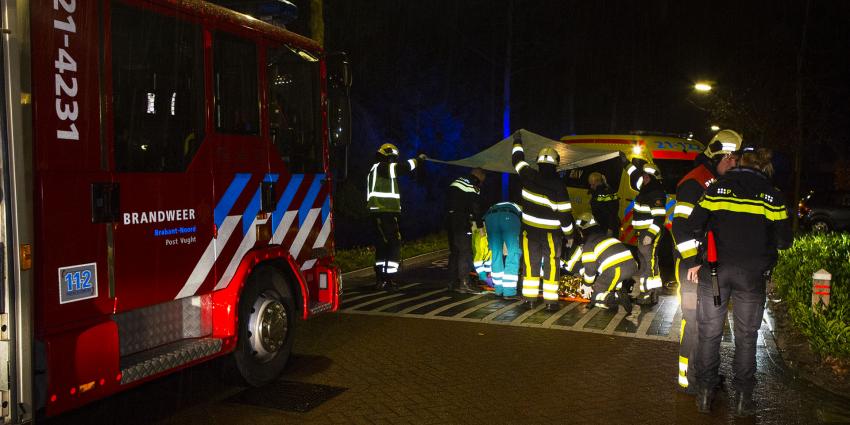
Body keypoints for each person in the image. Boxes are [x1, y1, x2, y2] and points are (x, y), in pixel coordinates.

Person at [687, 146, 792, 417]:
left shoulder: (717, 188)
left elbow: (694, 223)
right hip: (753, 275)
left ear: (740, 162)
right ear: (764, 167)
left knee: (709, 333)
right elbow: (784, 241)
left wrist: (705, 247)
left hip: (716, 272)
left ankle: (705, 394)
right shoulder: (773, 196)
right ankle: (744, 399)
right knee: (746, 338)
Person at [671, 129, 743, 394]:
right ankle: (689, 380)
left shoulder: (711, 181)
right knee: (694, 321)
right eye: (732, 159)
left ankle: (704, 375)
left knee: (708, 324)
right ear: (721, 156)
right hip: (693, 268)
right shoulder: (695, 183)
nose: (735, 164)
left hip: (706, 266)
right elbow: (679, 227)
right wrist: (692, 261)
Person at [511, 132, 574, 311]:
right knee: (551, 265)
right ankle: (550, 303)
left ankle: (530, 300)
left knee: (530, 264)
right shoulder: (559, 186)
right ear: (556, 164)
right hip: (551, 234)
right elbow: (565, 215)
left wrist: (517, 141)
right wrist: (569, 235)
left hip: (529, 232)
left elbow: (517, 160)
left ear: (538, 162)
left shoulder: (528, 175)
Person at [366, 143, 425, 290]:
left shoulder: (377, 169)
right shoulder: (382, 167)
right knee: (393, 245)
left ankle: (382, 279)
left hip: (379, 213)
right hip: (384, 212)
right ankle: (388, 279)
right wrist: (418, 160)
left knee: (382, 247)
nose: (395, 161)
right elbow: (401, 168)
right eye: (394, 158)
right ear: (389, 155)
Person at [563, 213, 635, 314]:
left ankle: (616, 298)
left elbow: (590, 268)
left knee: (595, 296)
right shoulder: (606, 238)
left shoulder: (589, 244)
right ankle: (619, 291)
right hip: (630, 266)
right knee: (610, 282)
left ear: (581, 231)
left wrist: (587, 285)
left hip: (616, 269)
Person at [623, 157, 667, 304]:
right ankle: (648, 292)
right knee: (645, 263)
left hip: (649, 234)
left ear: (651, 177)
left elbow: (659, 218)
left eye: (645, 176)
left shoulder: (656, 193)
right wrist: (625, 162)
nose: (643, 178)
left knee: (649, 264)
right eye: (643, 175)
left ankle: (648, 295)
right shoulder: (646, 187)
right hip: (642, 234)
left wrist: (650, 235)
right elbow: (634, 174)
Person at [445, 168, 486, 293]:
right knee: (466, 252)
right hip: (461, 221)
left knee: (455, 252)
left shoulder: (457, 182)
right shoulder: (472, 186)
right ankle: (465, 283)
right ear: (480, 177)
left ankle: (451, 282)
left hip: (449, 220)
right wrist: (480, 227)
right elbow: (476, 208)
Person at [483, 202, 522, 300]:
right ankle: (509, 292)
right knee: (513, 252)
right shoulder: (519, 208)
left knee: (496, 254)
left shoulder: (499, 203)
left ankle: (498, 290)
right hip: (508, 217)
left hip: (490, 217)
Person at [587, 172, 620, 237]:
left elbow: (613, 212)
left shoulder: (609, 193)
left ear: (598, 182)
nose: (591, 186)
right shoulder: (596, 192)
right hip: (601, 226)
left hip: (609, 227)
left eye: (593, 184)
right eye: (590, 184)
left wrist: (610, 228)